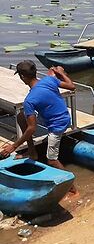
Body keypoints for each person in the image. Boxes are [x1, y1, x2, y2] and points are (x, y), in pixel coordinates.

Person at [0, 60, 77, 193]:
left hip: (56, 126)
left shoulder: (30, 100)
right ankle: (32, 153)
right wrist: (61, 73)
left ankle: (73, 189)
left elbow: (32, 129)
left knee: (52, 160)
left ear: (23, 77)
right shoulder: (49, 80)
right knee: (20, 116)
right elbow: (72, 86)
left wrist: (14, 146)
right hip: (64, 116)